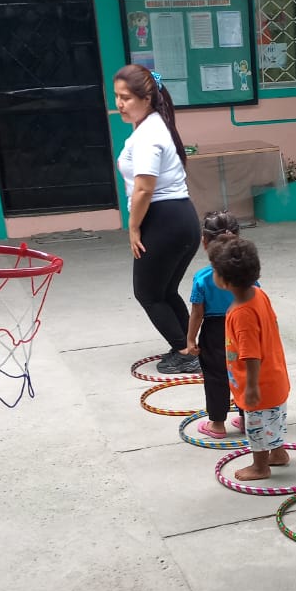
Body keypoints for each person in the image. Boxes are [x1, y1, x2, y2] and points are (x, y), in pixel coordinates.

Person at [113, 64, 201, 374]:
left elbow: (144, 188)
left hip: (164, 221)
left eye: (126, 98)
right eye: (117, 97)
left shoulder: (149, 134)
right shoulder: (151, 125)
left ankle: (185, 353)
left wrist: (133, 227)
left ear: (147, 98)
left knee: (148, 293)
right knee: (164, 291)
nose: (119, 104)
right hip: (179, 219)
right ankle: (189, 347)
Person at [210, 237, 290, 483]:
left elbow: (250, 354)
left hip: (259, 385)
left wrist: (252, 387)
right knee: (274, 418)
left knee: (257, 426)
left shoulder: (241, 313)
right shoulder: (259, 294)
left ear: (224, 280)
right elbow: (273, 325)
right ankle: (278, 453)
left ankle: (260, 466)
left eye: (214, 270)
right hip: (274, 376)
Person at [183, 210, 245, 438]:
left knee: (216, 376)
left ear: (204, 242)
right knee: (244, 372)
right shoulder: (246, 273)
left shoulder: (202, 278)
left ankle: (217, 424)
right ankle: (249, 420)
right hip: (242, 328)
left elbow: (197, 312)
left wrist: (190, 339)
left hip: (215, 333)